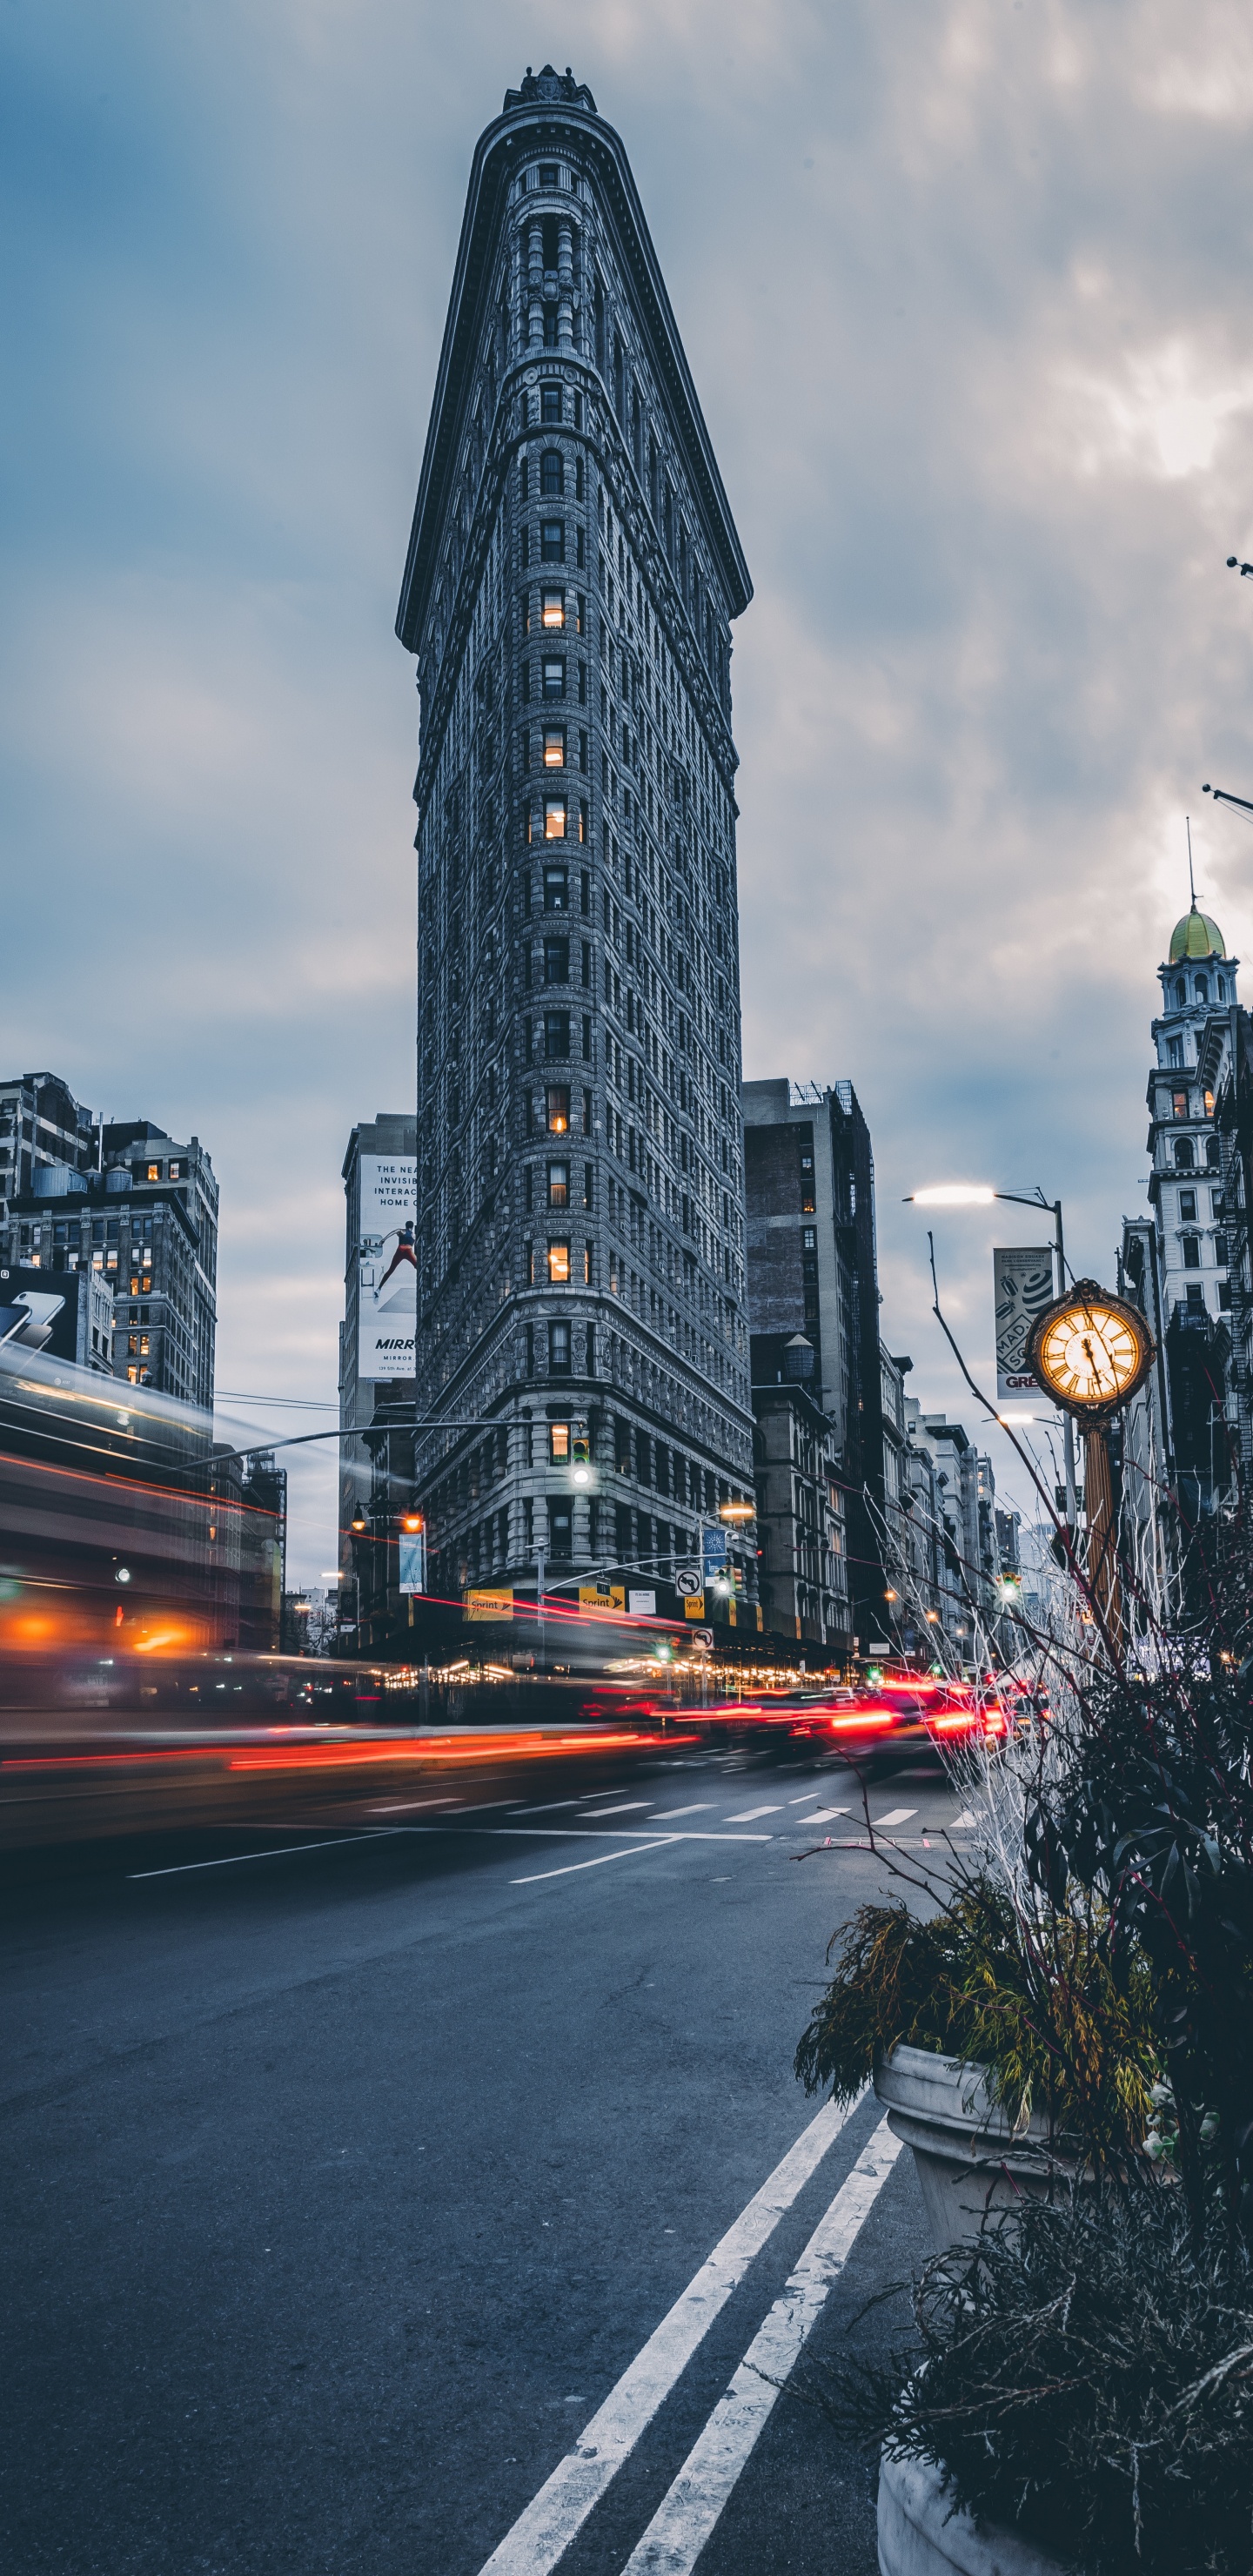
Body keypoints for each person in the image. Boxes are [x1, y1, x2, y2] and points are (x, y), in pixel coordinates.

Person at [373, 1222, 418, 1294]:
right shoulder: (414, 1235)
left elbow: (393, 1232)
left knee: (391, 1270)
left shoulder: (402, 1231)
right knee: (417, 1266)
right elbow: (417, 1245)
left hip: (400, 1250)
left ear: (406, 1226)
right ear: (412, 1227)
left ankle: (379, 1289)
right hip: (409, 1251)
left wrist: (383, 1240)